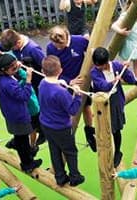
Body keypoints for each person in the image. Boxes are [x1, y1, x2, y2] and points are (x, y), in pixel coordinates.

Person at [46, 26, 98, 152]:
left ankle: (89, 132)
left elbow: (93, 52)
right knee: (69, 111)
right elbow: (53, 69)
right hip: (65, 83)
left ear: (67, 37)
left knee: (86, 107)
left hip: (82, 82)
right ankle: (68, 136)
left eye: (60, 45)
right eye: (55, 44)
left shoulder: (80, 41)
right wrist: (69, 81)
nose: (58, 48)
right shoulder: (50, 48)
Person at [0, 53, 42, 173]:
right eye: (13, 68)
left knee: (19, 138)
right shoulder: (8, 83)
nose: (16, 69)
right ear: (4, 69)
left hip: (10, 114)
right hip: (18, 115)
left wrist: (15, 65)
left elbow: (10, 58)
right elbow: (24, 96)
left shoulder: (0, 78)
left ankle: (26, 158)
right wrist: (28, 80)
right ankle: (27, 164)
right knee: (23, 141)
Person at [38, 56, 86, 187]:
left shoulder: (42, 83)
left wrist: (68, 85)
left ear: (43, 71)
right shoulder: (60, 92)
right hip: (60, 127)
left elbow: (55, 89)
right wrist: (77, 95)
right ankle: (75, 176)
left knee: (54, 149)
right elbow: (73, 110)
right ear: (60, 70)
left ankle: (60, 176)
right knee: (70, 151)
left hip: (46, 124)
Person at [90, 47, 137, 167]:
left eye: (100, 65)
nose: (98, 67)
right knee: (102, 127)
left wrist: (126, 69)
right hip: (101, 103)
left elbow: (131, 80)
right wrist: (113, 82)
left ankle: (117, 151)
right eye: (96, 65)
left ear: (107, 62)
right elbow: (102, 85)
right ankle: (100, 144)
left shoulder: (116, 66)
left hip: (115, 101)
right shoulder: (94, 72)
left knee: (116, 129)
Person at [0, 29, 46, 96]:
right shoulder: (14, 43)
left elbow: (45, 64)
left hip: (37, 82)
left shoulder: (33, 49)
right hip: (25, 80)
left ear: (18, 42)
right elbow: (0, 46)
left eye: (12, 49)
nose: (11, 50)